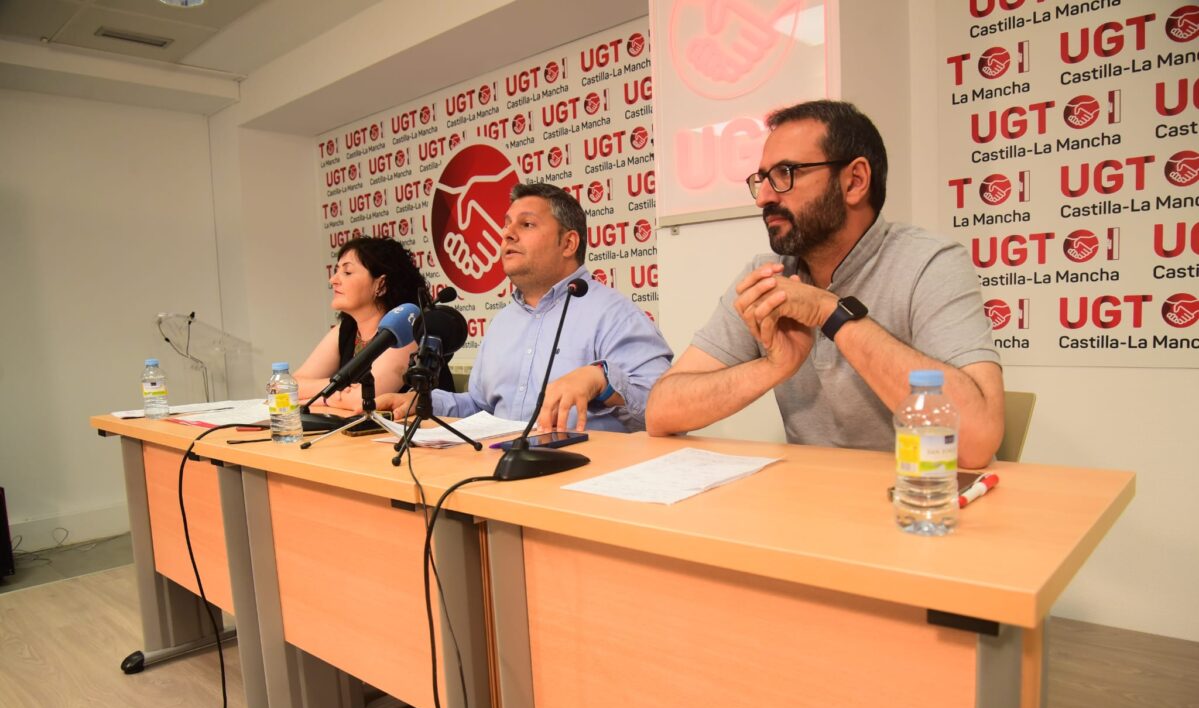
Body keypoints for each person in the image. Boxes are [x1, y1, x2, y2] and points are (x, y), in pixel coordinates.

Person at [646, 100, 1004, 467]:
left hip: (916, 500)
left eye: (786, 173)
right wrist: (773, 367)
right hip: (808, 505)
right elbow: (661, 412)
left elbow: (976, 442)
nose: (765, 197)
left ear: (854, 181)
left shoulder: (930, 263)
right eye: (762, 179)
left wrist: (829, 312)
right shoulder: (770, 274)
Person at [377, 182, 672, 432]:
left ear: (568, 244)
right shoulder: (504, 322)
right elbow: (481, 407)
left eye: (527, 224)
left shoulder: (614, 315)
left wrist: (603, 382)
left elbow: (667, 411)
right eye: (507, 224)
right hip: (499, 478)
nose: (507, 234)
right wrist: (423, 402)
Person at [295, 236, 451, 410]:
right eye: (337, 271)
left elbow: (362, 401)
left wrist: (323, 397)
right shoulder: (346, 330)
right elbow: (289, 386)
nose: (333, 280)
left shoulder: (405, 331)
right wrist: (340, 389)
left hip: (422, 433)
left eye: (347, 273)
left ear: (381, 285)